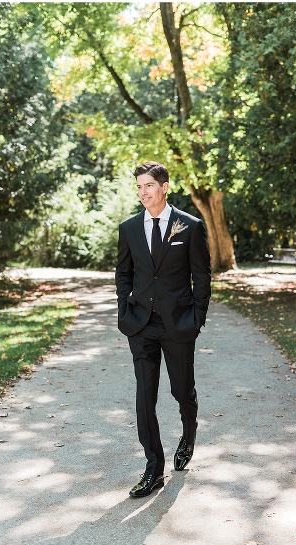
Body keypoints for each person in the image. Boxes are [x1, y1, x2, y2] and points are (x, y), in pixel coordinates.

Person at [115, 161, 211, 498]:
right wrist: (124, 307)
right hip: (140, 324)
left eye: (148, 186)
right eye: (139, 187)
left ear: (164, 186)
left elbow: (201, 275)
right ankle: (153, 469)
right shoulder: (128, 228)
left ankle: (188, 433)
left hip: (178, 323)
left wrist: (197, 316)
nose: (143, 192)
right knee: (145, 397)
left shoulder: (189, 226)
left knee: (182, 391)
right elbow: (123, 273)